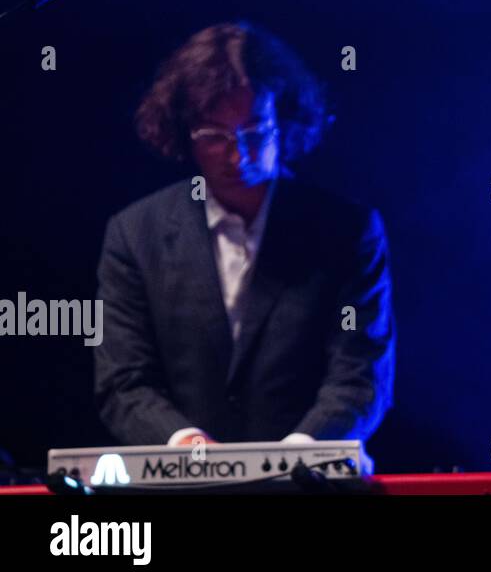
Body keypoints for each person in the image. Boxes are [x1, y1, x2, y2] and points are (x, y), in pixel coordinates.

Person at [94, 22, 395, 448]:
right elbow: (123, 380)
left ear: (285, 121)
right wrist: (184, 444)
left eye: (255, 131)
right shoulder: (134, 234)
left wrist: (297, 454)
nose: (238, 154)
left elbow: (361, 375)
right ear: (185, 134)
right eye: (215, 136)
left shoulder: (347, 232)